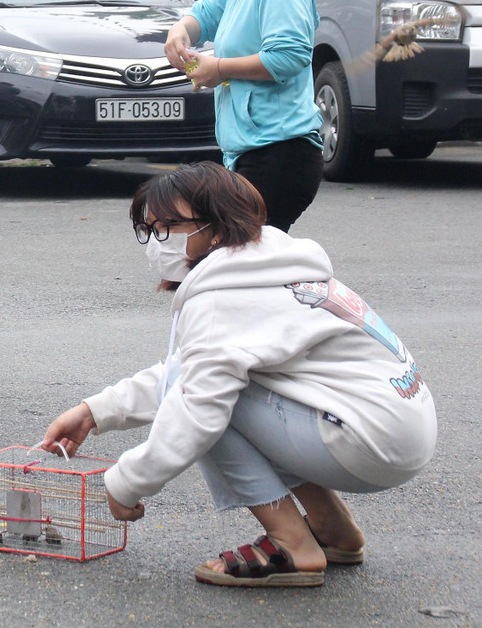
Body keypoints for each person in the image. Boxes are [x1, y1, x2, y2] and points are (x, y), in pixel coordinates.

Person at [42, 163, 436, 588]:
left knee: (206, 400)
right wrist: (96, 411)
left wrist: (126, 482)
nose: (159, 243)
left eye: (170, 226)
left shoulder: (223, 298)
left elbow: (194, 405)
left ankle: (292, 543)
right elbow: (195, 366)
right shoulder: (272, 265)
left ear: (218, 226)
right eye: (150, 230)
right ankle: (333, 530)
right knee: (219, 384)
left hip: (368, 442)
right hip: (400, 429)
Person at [163, 0, 323, 232]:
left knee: (236, 262)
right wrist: (179, 32)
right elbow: (203, 14)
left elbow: (289, 56)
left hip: (282, 151)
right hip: (249, 151)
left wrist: (218, 68)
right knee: (242, 266)